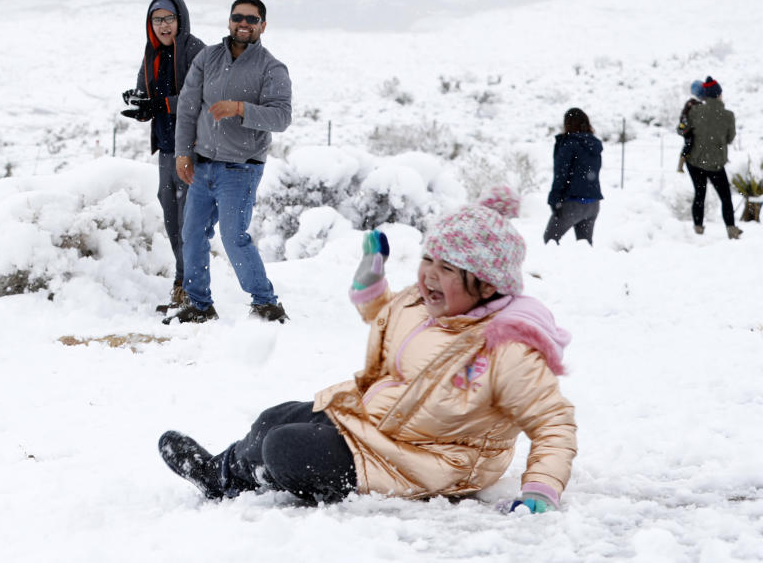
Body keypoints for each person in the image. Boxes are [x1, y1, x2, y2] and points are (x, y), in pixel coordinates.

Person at [159, 187, 577, 512]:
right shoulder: (429, 305)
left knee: (285, 449)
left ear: (487, 285)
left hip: (428, 460)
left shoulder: (507, 346)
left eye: (447, 269)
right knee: (275, 417)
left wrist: (542, 489)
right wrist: (370, 285)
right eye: (428, 259)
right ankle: (219, 474)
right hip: (379, 422)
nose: (429, 275)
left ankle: (264, 473)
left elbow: (552, 424)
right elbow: (387, 317)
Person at [166, 0, 292, 324]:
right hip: (203, 164)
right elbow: (188, 108)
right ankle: (199, 305)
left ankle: (266, 302)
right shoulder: (208, 58)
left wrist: (240, 109)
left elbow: (281, 118)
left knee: (233, 236)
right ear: (229, 21)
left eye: (252, 19)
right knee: (191, 233)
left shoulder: (272, 68)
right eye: (238, 17)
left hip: (241, 169)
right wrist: (183, 153)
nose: (244, 24)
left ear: (263, 25)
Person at [122, 0, 206, 312]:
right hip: (167, 149)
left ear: (180, 20)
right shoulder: (152, 54)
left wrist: (163, 104)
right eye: (157, 20)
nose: (163, 26)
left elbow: (199, 97)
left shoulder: (195, 50)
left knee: (189, 222)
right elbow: (147, 93)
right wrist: (141, 105)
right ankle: (183, 283)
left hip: (194, 148)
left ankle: (191, 290)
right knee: (172, 218)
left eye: (168, 18)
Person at [678, 76, 741, 239]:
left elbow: (683, 130)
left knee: (700, 194)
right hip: (715, 164)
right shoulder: (728, 115)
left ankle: (698, 228)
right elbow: (730, 138)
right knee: (725, 197)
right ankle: (731, 228)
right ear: (719, 94)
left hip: (694, 162)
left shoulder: (694, 111)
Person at [544, 107, 604, 245]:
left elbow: (561, 174)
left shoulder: (569, 144)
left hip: (573, 203)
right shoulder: (594, 145)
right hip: (593, 204)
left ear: (568, 124)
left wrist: (554, 200)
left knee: (550, 239)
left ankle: (552, 266)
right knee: (584, 244)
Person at [676, 80, 705, 173]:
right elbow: (685, 116)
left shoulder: (692, 103)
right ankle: (680, 166)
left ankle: (685, 164)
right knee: (689, 147)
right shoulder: (693, 103)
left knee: (690, 147)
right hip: (689, 131)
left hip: (690, 130)